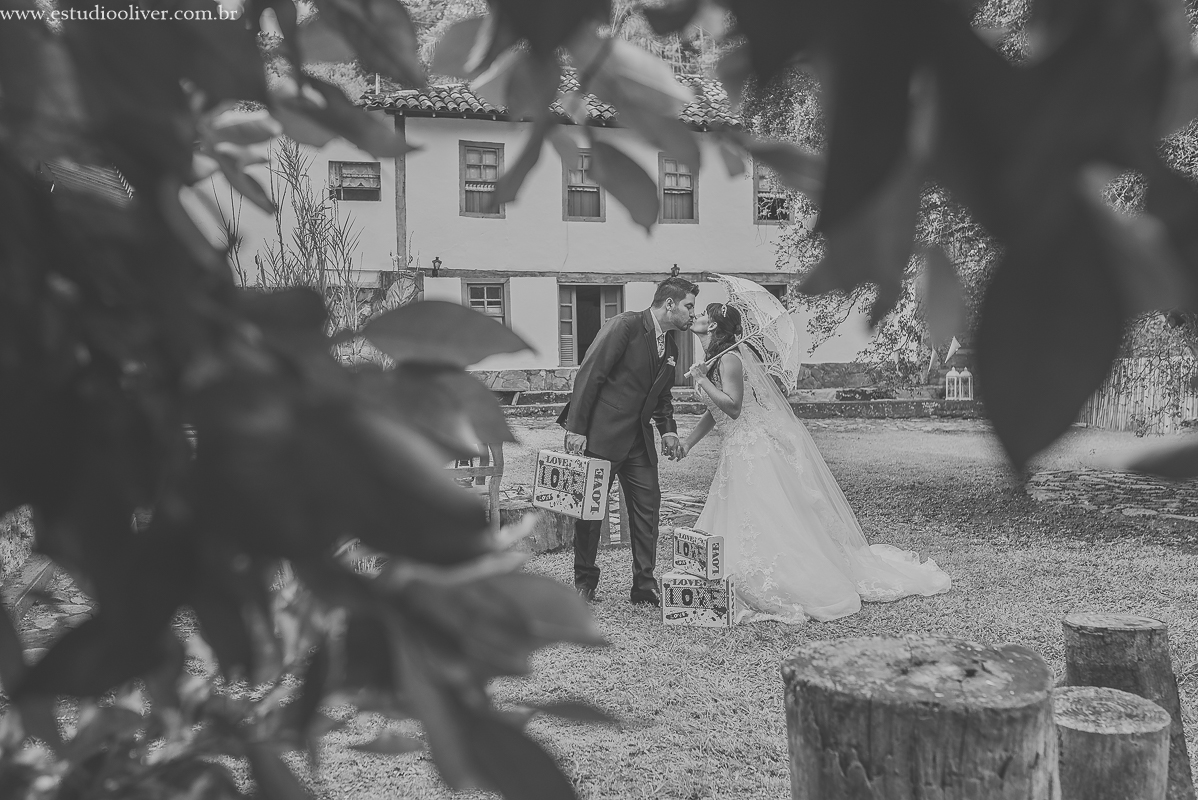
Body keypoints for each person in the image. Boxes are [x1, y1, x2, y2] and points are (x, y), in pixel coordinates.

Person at [680, 302, 951, 623]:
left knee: (766, 517)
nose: (695, 317)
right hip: (734, 449)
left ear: (712, 326)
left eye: (701, 315)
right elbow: (715, 412)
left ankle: (793, 578)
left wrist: (700, 377)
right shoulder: (711, 362)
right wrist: (687, 442)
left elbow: (734, 407)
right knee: (742, 515)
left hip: (752, 449)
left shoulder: (729, 359)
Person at [558, 277, 698, 605]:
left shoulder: (672, 348)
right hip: (602, 437)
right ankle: (585, 581)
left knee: (648, 509)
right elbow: (590, 374)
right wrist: (577, 429)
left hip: (639, 442)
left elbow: (662, 398)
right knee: (591, 513)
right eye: (689, 306)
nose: (692, 313)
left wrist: (669, 431)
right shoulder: (624, 326)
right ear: (670, 304)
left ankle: (644, 585)